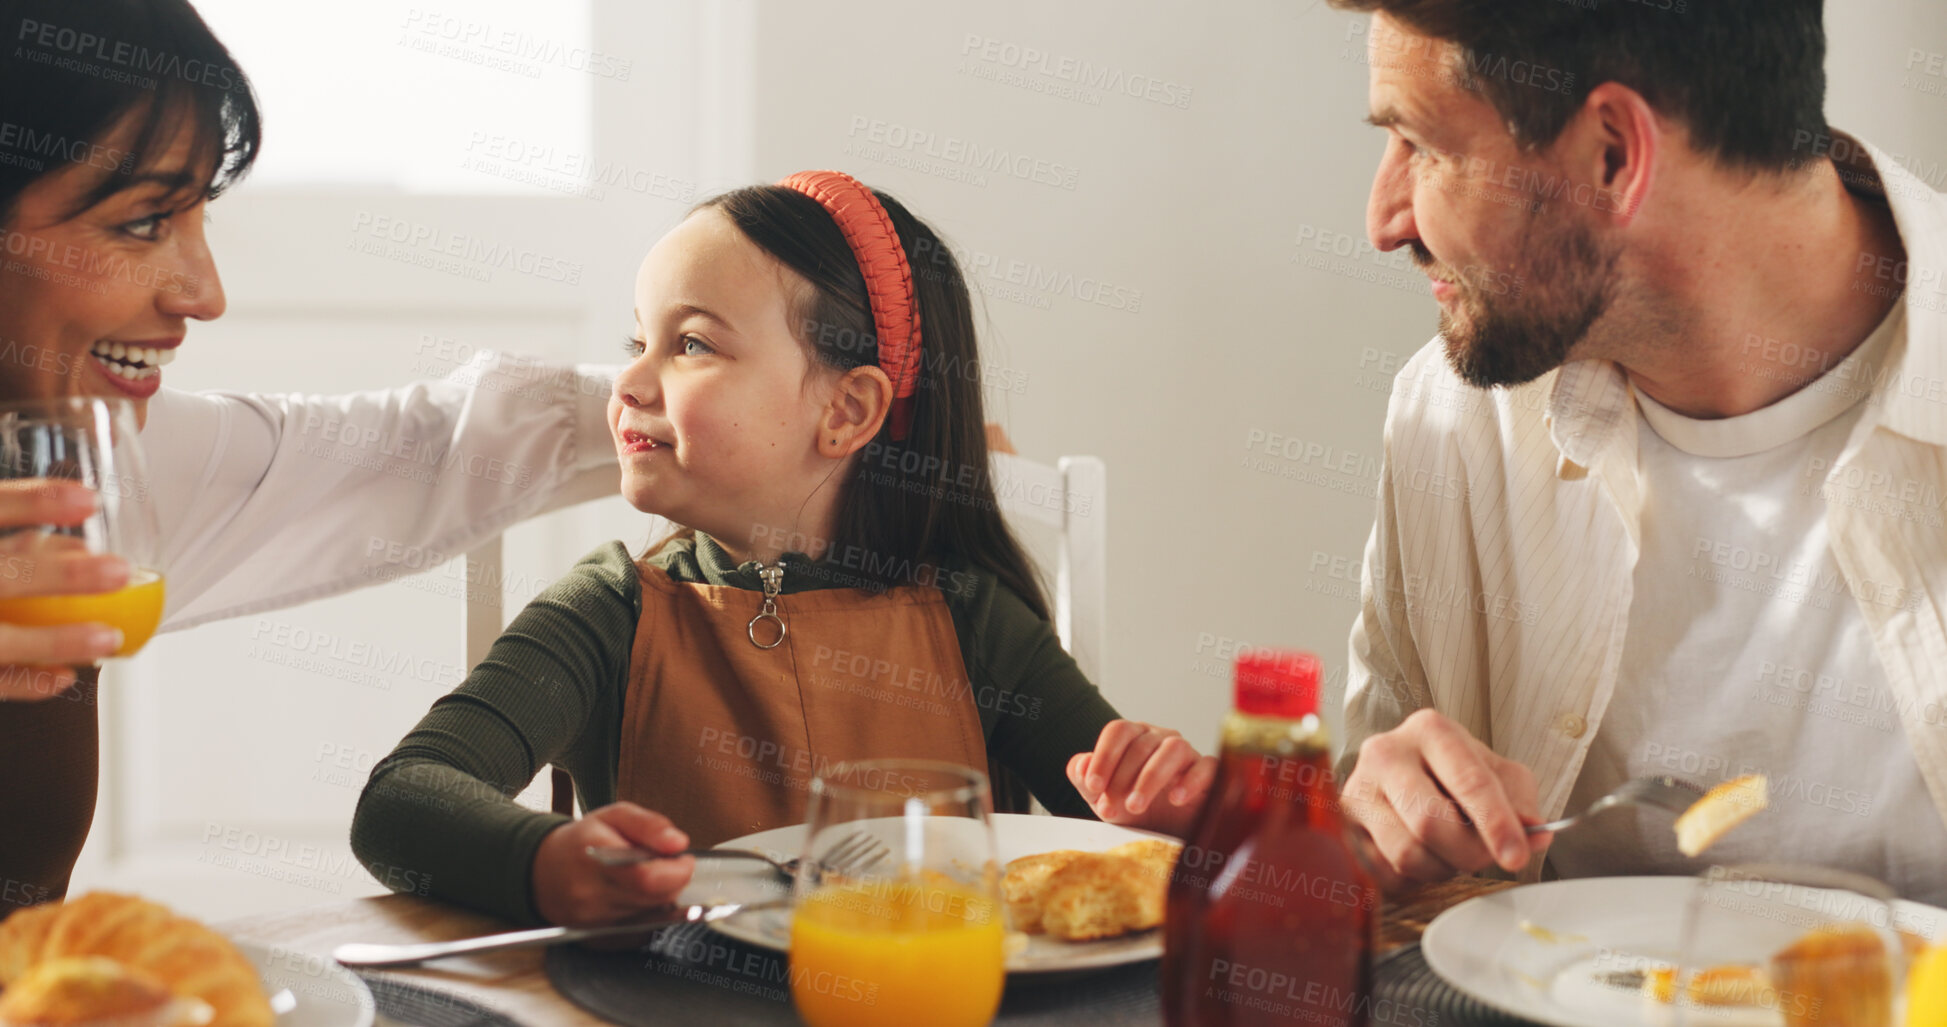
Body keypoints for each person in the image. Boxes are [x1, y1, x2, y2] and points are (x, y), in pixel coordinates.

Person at [351, 173, 1217, 927]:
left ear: (846, 411)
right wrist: (546, 861)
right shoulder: (609, 613)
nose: (628, 380)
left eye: (690, 343)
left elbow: (1116, 838)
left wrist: (1169, 806)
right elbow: (404, 799)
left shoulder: (971, 619)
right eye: (637, 341)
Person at [0, 0, 617, 916]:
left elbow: (430, 450)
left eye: (199, 215)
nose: (205, 295)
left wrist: (731, 398)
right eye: (142, 223)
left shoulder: (107, 469)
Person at [1325, 0, 1947, 903]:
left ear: (1612, 156)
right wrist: (1370, 831)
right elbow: (1380, 885)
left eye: (1421, 146)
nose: (1384, 218)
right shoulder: (1455, 421)